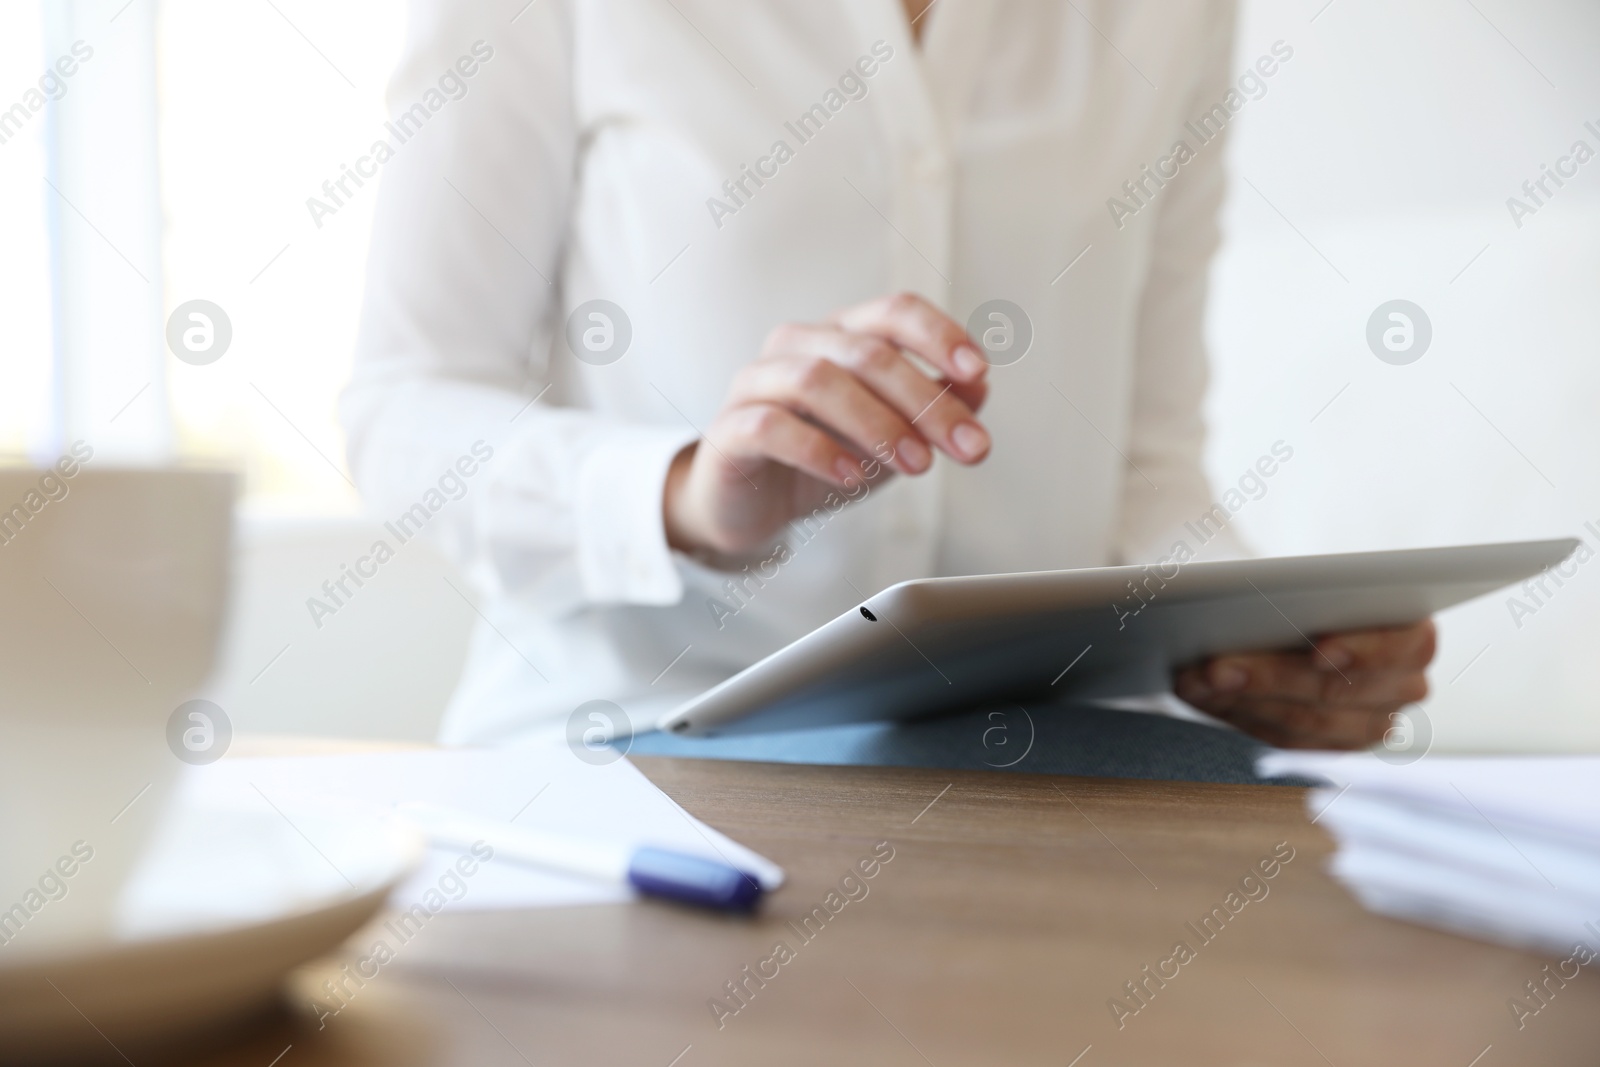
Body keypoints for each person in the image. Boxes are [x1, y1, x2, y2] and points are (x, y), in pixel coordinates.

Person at [341, 0, 1433, 780]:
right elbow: (405, 408)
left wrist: (1259, 642)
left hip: (1053, 771)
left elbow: (1144, 468)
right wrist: (682, 492)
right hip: (634, 745)